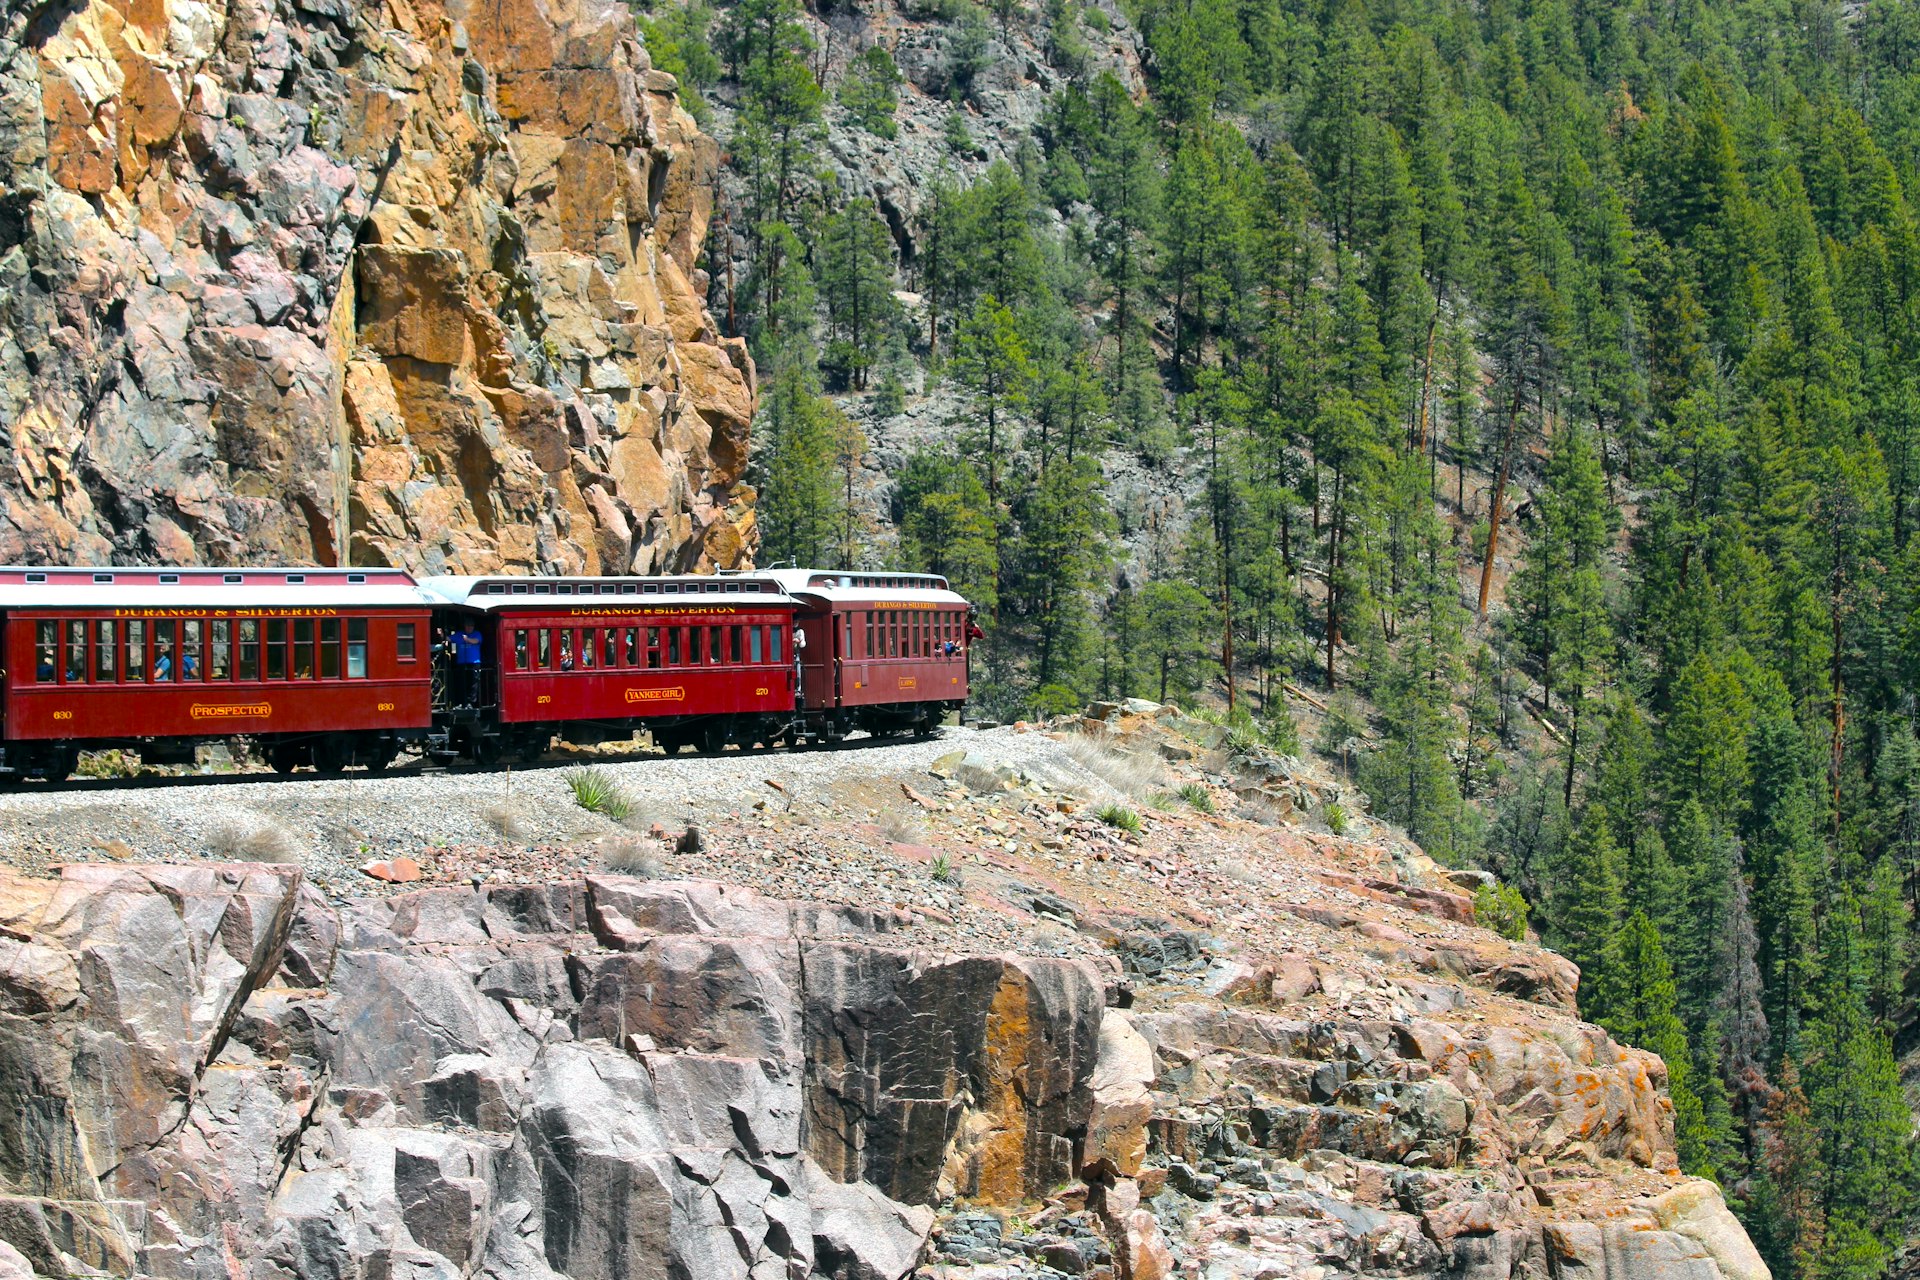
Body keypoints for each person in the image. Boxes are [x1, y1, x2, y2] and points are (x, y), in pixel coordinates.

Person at [451, 620, 485, 706]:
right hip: (461, 663)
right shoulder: (459, 634)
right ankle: (461, 702)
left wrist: (466, 639)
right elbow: (448, 638)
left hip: (474, 663)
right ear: (464, 626)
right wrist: (441, 635)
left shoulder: (477, 634)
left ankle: (471, 703)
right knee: (461, 683)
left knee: (473, 683)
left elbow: (476, 641)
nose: (469, 627)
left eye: (471, 626)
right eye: (468, 625)